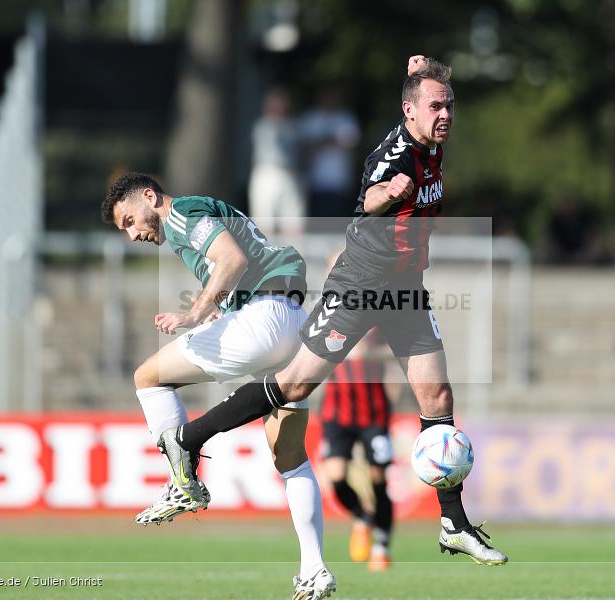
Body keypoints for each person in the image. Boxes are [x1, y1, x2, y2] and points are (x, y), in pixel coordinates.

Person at [162, 55, 510, 568]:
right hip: (360, 285)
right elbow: (369, 194)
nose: (446, 114)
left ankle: (452, 523)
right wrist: (387, 195)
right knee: (295, 386)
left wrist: (428, 67)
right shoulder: (396, 154)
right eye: (436, 106)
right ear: (409, 111)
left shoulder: (431, 145)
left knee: (437, 394)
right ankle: (189, 439)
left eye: (449, 106)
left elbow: (427, 81)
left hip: (405, 289)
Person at [99, 172, 336, 600]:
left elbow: (232, 260)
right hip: (292, 320)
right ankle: (314, 569)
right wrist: (217, 311)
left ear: (150, 197)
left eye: (130, 220)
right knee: (291, 459)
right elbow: (238, 263)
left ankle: (182, 476)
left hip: (267, 318)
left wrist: (194, 315)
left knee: (148, 377)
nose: (132, 234)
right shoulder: (189, 225)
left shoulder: (183, 213)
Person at [320, 327, 395, 571]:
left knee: (379, 482)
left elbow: (399, 352)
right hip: (336, 413)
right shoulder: (328, 316)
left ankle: (381, 548)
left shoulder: (381, 320)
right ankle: (362, 517)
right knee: (336, 477)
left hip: (374, 414)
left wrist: (370, 353)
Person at [298, 88, 360, 228]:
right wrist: (333, 140)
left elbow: (350, 145)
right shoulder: (310, 119)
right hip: (316, 184)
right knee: (318, 228)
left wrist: (319, 142)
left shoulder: (346, 118)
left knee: (338, 228)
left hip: (340, 183)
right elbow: (303, 150)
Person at [248, 87, 305, 236]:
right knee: (265, 221)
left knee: (292, 222)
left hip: (289, 174)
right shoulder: (263, 126)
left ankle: (293, 256)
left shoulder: (291, 126)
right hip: (267, 172)